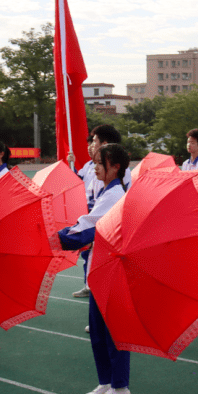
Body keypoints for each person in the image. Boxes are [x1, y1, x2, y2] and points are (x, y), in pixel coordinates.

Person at [59, 143, 132, 394]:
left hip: (112, 273)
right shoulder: (105, 192)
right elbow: (85, 224)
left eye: (100, 163)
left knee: (113, 332)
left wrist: (55, 238)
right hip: (100, 270)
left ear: (116, 166)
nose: (95, 167)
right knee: (99, 332)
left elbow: (88, 228)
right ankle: (106, 381)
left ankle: (120, 384)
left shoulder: (115, 196)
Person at [71, 125, 131, 298]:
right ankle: (89, 288)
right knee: (91, 262)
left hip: (107, 224)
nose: (91, 145)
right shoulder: (94, 168)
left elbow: (121, 198)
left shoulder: (118, 175)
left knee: (106, 272)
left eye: (94, 141)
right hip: (95, 218)